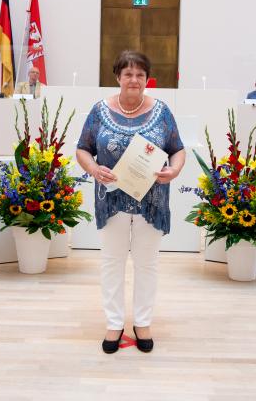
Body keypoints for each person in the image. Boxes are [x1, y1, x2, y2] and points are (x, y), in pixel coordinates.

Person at [76, 50, 185, 353]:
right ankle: (114, 323)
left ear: (146, 78)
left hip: (151, 202)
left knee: (147, 265)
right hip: (111, 201)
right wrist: (93, 168)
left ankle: (142, 322)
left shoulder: (162, 111)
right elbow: (82, 149)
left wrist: (174, 170)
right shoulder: (99, 111)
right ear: (118, 77)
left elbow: (178, 148)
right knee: (112, 263)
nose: (134, 80)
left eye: (139, 74)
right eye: (128, 74)